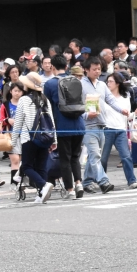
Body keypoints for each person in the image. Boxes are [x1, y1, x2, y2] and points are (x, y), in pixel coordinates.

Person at [44, 54, 86, 199]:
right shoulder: (76, 81)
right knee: (75, 157)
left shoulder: (49, 84)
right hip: (79, 124)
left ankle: (70, 189)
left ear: (52, 67)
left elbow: (47, 107)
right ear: (67, 66)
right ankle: (79, 183)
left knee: (65, 159)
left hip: (62, 126)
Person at [11, 73, 56, 203]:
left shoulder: (24, 100)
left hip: (29, 138)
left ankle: (43, 185)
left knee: (27, 166)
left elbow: (18, 122)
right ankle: (41, 194)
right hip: (45, 138)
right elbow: (51, 121)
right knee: (41, 167)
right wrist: (54, 140)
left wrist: (13, 141)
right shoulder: (45, 99)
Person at [79, 56, 120, 195]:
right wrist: (85, 115)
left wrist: (122, 110)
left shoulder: (102, 85)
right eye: (94, 69)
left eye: (99, 69)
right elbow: (76, 105)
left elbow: (111, 100)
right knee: (95, 155)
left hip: (101, 124)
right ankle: (103, 181)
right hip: (87, 126)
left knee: (94, 156)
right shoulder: (80, 85)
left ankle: (87, 182)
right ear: (86, 70)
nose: (97, 71)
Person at [101, 71, 137, 189]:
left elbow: (127, 115)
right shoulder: (103, 97)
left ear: (117, 83)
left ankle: (132, 180)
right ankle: (102, 181)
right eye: (107, 81)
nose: (108, 84)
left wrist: (134, 114)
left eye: (110, 81)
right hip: (107, 129)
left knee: (126, 156)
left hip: (121, 130)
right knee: (103, 158)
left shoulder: (125, 97)